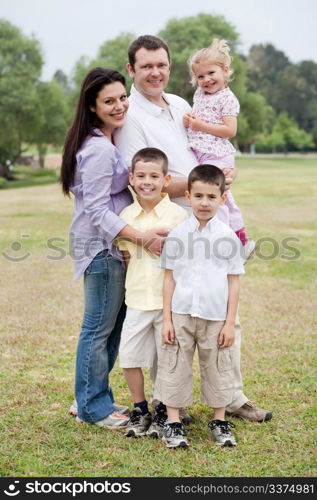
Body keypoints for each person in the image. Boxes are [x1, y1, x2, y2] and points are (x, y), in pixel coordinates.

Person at [115, 35, 272, 423]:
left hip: (211, 219)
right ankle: (173, 407)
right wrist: (205, 186)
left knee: (224, 313)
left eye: (162, 65)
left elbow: (209, 150)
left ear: (171, 68)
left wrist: (222, 175)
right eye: (147, 66)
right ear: (131, 70)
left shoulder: (183, 104)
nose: (156, 72)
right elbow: (147, 178)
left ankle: (233, 397)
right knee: (175, 318)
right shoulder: (130, 116)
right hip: (173, 227)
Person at [60, 67, 167, 429]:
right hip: (101, 249)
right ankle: (92, 407)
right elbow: (95, 209)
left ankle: (96, 398)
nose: (120, 105)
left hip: (112, 245)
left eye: (122, 97)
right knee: (97, 329)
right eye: (109, 101)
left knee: (111, 327)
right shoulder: (98, 150)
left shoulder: (105, 142)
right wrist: (140, 237)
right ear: (92, 106)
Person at [156, 165, 244, 448]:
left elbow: (234, 283)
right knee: (174, 365)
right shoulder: (178, 235)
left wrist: (229, 322)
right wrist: (167, 319)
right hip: (180, 314)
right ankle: (173, 422)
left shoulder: (228, 238)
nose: (204, 202)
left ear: (222, 198)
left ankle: (219, 420)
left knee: (218, 366)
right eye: (199, 196)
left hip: (215, 316)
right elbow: (169, 279)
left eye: (211, 196)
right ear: (187, 196)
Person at [116, 147, 188, 438]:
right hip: (136, 300)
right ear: (131, 178)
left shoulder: (178, 215)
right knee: (129, 358)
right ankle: (140, 408)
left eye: (154, 176)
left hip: (167, 304)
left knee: (166, 360)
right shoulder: (126, 216)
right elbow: (127, 257)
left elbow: (185, 260)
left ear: (166, 179)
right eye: (141, 176)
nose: (147, 181)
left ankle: (163, 410)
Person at [184, 38, 255, 259]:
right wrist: (190, 119)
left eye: (211, 73)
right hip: (202, 154)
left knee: (217, 198)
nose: (206, 80)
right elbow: (200, 117)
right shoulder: (200, 95)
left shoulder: (227, 98)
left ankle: (226, 243)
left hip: (218, 154)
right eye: (200, 76)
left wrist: (199, 125)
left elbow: (229, 130)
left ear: (225, 71)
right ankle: (239, 240)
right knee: (222, 197)